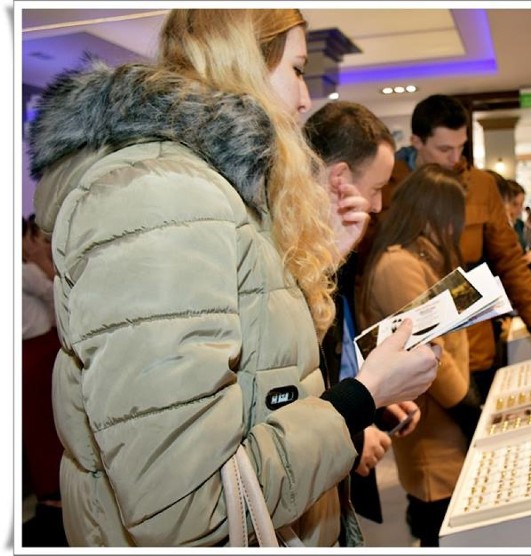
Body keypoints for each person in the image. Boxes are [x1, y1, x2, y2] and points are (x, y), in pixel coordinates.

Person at [28, 9, 439, 547]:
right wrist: (363, 396)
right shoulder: (160, 195)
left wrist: (316, 264)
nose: (302, 99)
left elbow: (261, 379)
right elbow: (183, 503)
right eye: (296, 70)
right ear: (241, 59)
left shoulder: (214, 192)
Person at [365, 94, 531, 399]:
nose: (455, 158)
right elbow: (369, 266)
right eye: (444, 149)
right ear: (416, 141)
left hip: (472, 340)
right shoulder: (387, 186)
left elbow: (509, 258)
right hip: (411, 343)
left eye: (461, 147)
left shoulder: (481, 186)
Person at [303, 100, 420, 525]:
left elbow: (338, 354)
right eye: (375, 188)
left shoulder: (334, 242)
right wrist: (353, 428)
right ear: (339, 178)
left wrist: (376, 401)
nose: (377, 204)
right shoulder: (290, 253)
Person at [359, 164, 477, 547]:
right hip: (432, 435)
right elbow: (428, 351)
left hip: (443, 428)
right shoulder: (398, 265)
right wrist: (468, 409)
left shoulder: (418, 258)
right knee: (436, 528)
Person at [21, 216, 67, 547]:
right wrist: (41, 261)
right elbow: (58, 297)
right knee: (45, 424)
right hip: (36, 353)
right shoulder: (25, 273)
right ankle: (52, 495)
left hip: (40, 351)